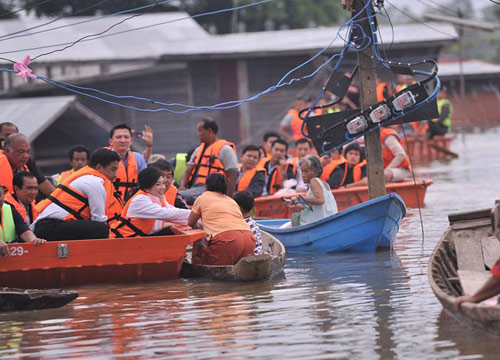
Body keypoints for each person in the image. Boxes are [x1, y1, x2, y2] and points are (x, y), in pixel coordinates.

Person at [32, 148, 123, 241]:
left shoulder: (86, 177)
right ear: (99, 167)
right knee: (101, 229)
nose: (115, 175)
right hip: (49, 227)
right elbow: (98, 219)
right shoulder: (94, 182)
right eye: (113, 169)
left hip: (48, 226)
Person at [188, 173, 255, 266]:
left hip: (227, 241)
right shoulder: (231, 201)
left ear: (206, 186)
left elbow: (190, 223)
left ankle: (196, 269)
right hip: (249, 239)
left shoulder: (202, 198)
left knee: (198, 237)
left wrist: (200, 227)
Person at [111, 167, 191, 238]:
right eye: (158, 184)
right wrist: (196, 214)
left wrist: (195, 221)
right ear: (147, 187)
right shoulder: (140, 200)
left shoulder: (157, 197)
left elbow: (173, 212)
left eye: (163, 183)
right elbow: (166, 214)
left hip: (139, 238)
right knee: (171, 231)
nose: (163, 187)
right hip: (122, 241)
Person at [179, 118, 238, 204]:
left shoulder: (225, 150)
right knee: (171, 192)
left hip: (212, 190)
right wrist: (182, 186)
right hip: (195, 188)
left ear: (209, 131)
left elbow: (232, 176)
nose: (198, 134)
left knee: (177, 196)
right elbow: (188, 171)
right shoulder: (198, 150)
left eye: (200, 130)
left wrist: (228, 200)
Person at [282, 155, 337, 227]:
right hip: (329, 222)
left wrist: (300, 198)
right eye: (302, 172)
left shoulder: (314, 181)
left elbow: (320, 200)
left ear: (316, 172)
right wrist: (296, 203)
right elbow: (313, 207)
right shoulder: (324, 183)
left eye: (306, 171)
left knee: (292, 221)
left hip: (320, 223)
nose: (303, 175)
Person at [0, 185, 46, 256]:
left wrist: (34, 240)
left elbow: (23, 229)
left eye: (0, 195)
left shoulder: (9, 210)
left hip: (10, 259)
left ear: (3, 195)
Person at [108, 124, 149, 201]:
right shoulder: (104, 158)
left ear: (131, 141)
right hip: (110, 203)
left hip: (133, 203)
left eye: (126, 137)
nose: (123, 140)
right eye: (118, 137)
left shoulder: (139, 158)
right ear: (111, 141)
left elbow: (145, 182)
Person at [233, 191, 263, 256]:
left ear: (239, 208)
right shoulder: (253, 223)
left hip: (250, 258)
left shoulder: (241, 224)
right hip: (257, 256)